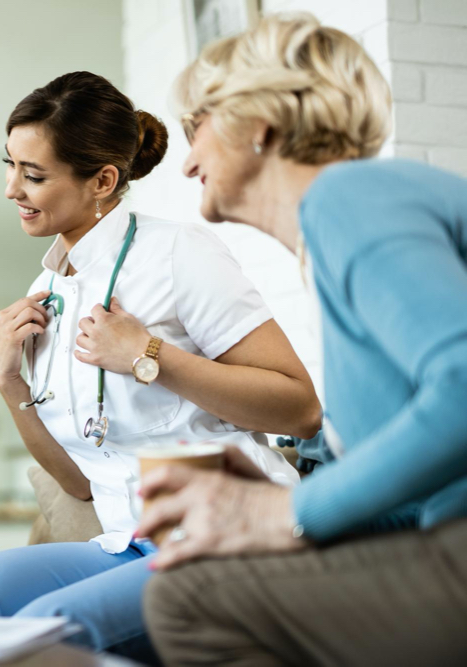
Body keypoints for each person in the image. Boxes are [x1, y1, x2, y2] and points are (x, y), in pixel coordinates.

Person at [0, 71, 321, 659]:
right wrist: (7, 381)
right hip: (128, 542)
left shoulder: (177, 253)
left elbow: (300, 409)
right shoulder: (44, 291)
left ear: (103, 180)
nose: (11, 188)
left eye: (33, 175)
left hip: (234, 538)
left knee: (46, 631)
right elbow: (78, 484)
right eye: (9, 165)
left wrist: (148, 356)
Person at [141, 13, 467, 664]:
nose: (187, 161)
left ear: (258, 123)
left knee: (187, 600)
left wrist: (287, 514)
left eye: (198, 127)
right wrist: (283, 501)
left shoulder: (348, 198)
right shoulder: (348, 222)